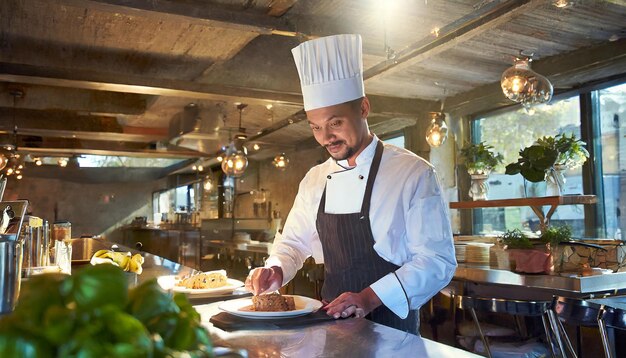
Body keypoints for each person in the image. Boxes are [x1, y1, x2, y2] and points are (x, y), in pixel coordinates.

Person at [245, 34, 456, 334]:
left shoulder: (413, 173)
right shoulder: (314, 180)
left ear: (363, 108)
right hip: (332, 327)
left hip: (392, 331)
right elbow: (293, 242)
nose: (326, 137)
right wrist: (276, 268)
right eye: (316, 127)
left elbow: (437, 261)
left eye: (335, 123)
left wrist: (368, 298)